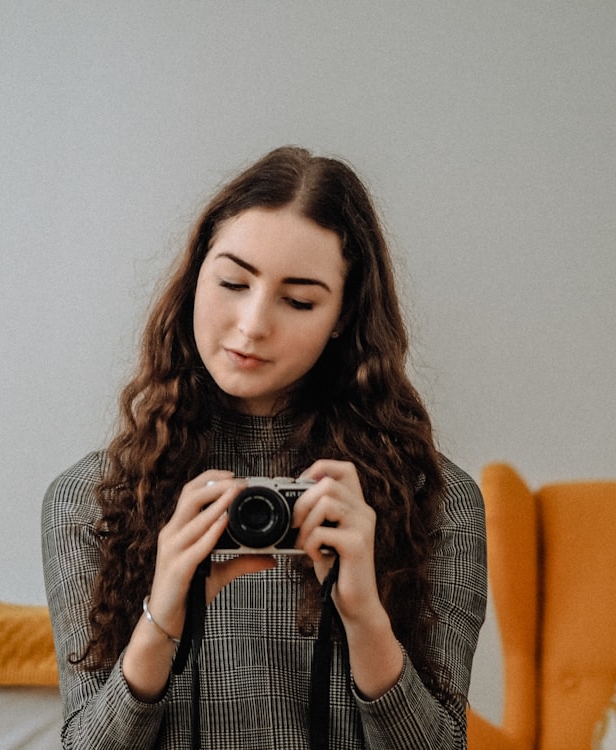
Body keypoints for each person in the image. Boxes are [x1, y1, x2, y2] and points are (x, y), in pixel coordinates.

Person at [41, 146, 487, 749]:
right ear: (196, 276)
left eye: (298, 300)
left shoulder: (434, 502)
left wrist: (365, 616)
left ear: (341, 316)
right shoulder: (94, 501)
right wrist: (164, 614)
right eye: (232, 281)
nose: (252, 324)